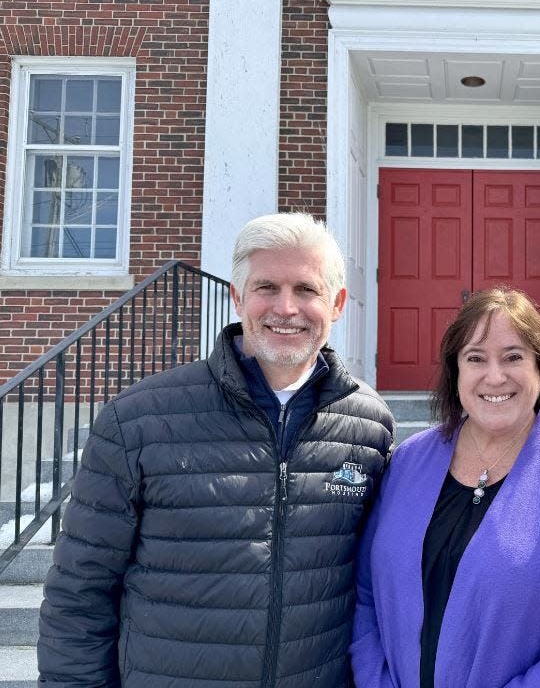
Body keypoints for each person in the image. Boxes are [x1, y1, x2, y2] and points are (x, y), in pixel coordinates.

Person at [37, 212, 395, 687]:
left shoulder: (368, 427)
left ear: (337, 304)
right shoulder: (139, 421)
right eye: (267, 287)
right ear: (236, 296)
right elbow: (79, 592)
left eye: (307, 290)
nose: (286, 308)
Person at [351, 287, 540, 688]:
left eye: (514, 357)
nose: (494, 376)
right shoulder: (408, 462)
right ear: (456, 372)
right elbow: (365, 596)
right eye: (475, 359)